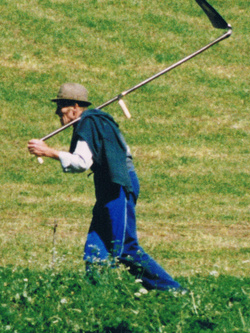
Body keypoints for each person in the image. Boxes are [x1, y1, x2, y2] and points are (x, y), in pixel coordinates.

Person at [27, 82, 183, 292]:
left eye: (61, 106)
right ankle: (96, 295)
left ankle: (174, 291)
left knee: (126, 248)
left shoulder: (88, 123)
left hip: (118, 185)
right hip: (108, 187)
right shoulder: (93, 122)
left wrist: (49, 152)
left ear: (74, 107)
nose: (57, 112)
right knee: (96, 248)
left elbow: (81, 163)